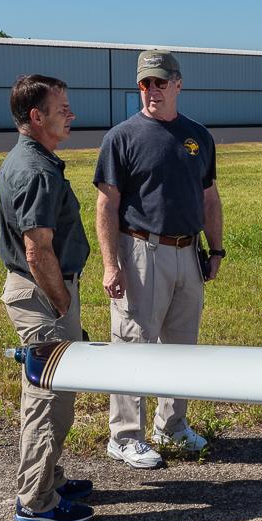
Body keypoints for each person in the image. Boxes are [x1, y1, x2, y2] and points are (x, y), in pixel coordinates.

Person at [94, 49, 225, 469]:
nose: (152, 89)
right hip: (141, 251)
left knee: (181, 345)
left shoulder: (198, 137)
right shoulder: (122, 137)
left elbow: (209, 198)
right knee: (133, 343)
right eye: (145, 83)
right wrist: (111, 264)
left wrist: (216, 248)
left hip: (188, 251)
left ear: (178, 84)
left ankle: (172, 426)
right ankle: (124, 436)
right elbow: (106, 204)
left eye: (160, 82)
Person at [0, 74, 94, 521]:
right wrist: (62, 304)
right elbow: (37, 250)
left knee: (48, 395)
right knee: (49, 399)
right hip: (43, 295)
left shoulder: (33, 160)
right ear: (37, 117)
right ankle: (37, 501)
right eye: (62, 109)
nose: (71, 115)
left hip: (41, 291)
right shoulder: (36, 170)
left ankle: (49, 479)